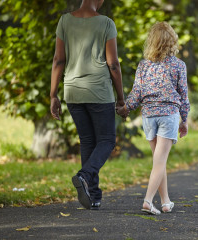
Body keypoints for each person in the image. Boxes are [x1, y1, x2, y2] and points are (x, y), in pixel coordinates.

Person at [50, 0, 126, 210]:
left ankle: (93, 195)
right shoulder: (106, 23)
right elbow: (113, 63)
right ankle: (84, 176)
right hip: (99, 92)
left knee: (87, 141)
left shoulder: (64, 21)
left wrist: (53, 95)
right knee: (107, 140)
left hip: (73, 92)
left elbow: (58, 59)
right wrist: (121, 98)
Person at [117, 22, 190, 215]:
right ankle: (148, 201)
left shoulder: (143, 66)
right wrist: (184, 120)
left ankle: (165, 202)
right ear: (172, 42)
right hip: (168, 116)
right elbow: (183, 96)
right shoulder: (178, 65)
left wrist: (126, 109)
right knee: (159, 162)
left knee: (159, 161)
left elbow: (136, 93)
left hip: (149, 116)